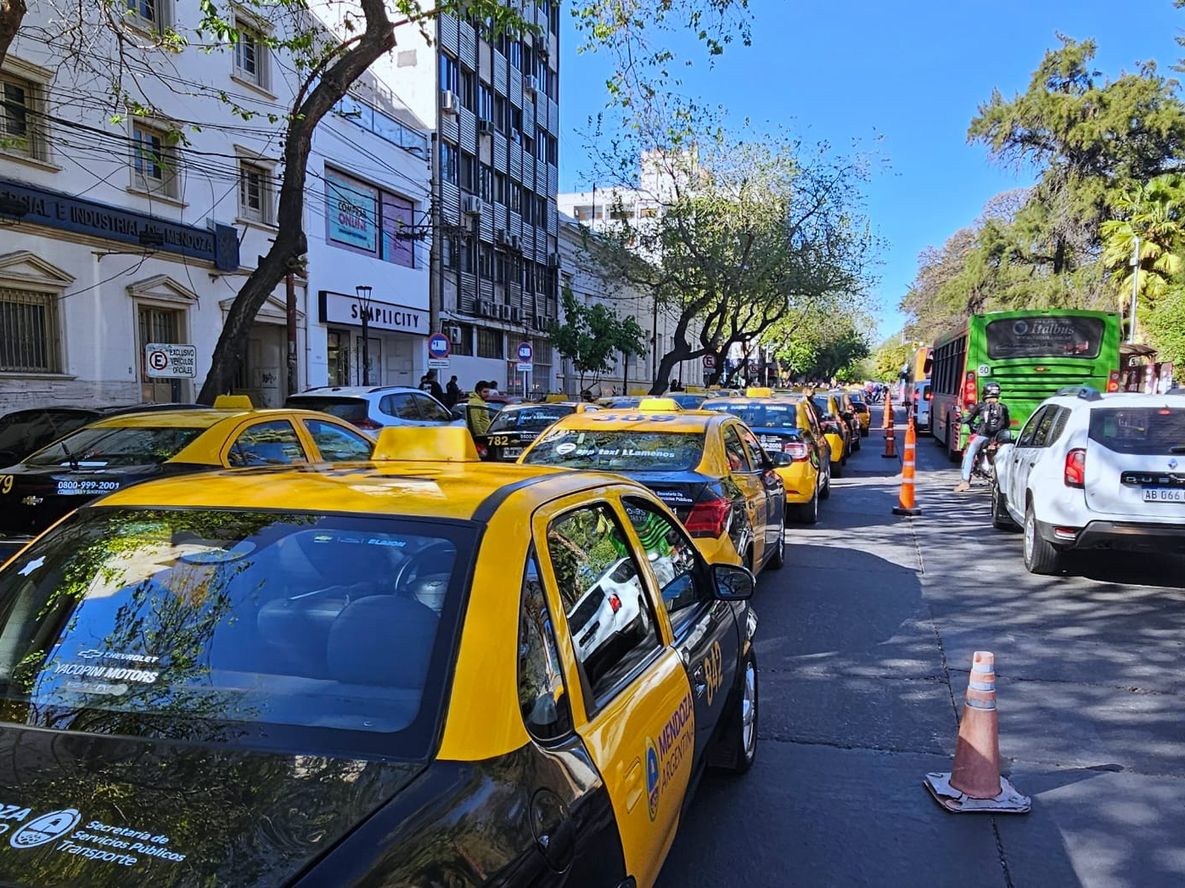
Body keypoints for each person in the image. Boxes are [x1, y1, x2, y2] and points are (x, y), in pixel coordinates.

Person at [955, 382, 1011, 493]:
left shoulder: (981, 406)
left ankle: (965, 481)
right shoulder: (1003, 407)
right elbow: (1007, 423)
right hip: (998, 438)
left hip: (983, 436)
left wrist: (960, 420)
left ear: (985, 393)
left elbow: (969, 419)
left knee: (970, 454)